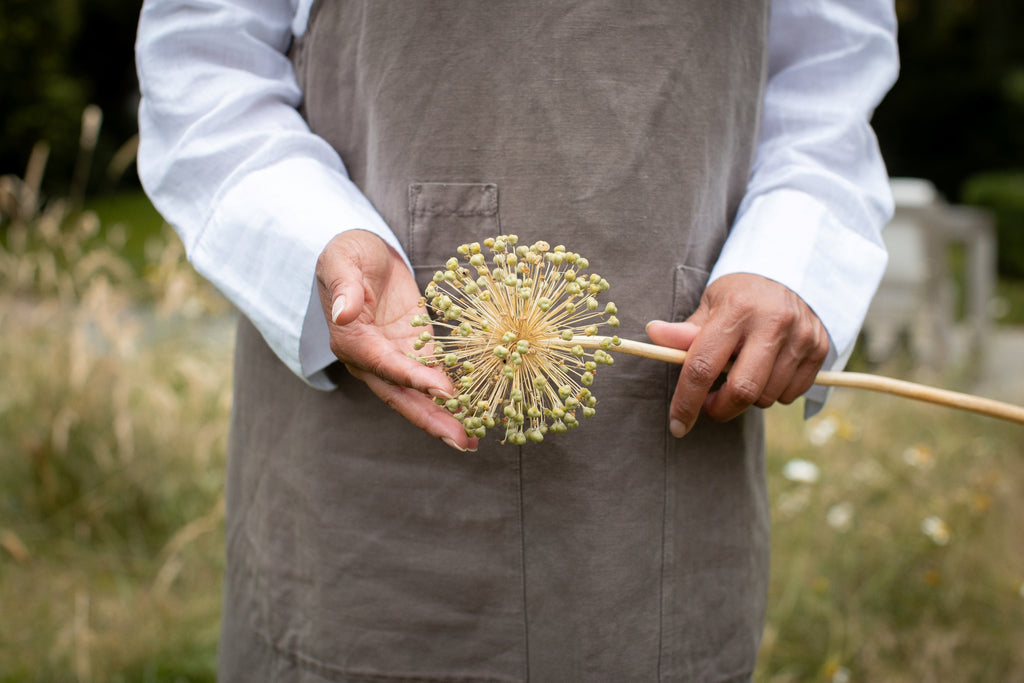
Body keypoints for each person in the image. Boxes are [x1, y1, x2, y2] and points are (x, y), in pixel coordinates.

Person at [136, 1, 898, 680]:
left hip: (664, 467)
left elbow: (829, 79)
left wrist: (791, 257)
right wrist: (315, 235)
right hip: (360, 444)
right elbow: (203, 60)